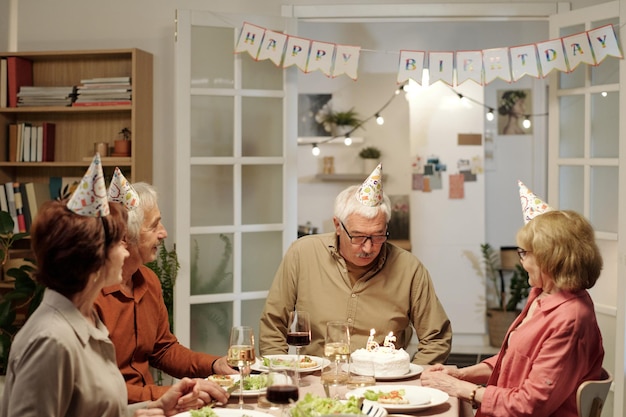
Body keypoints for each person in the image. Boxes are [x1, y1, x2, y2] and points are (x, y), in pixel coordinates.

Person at [0, 158, 203, 417]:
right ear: (93, 258)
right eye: (119, 242)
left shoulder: (87, 320)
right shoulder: (50, 340)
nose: (125, 249)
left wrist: (149, 409)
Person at [421, 183, 604, 416]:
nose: (521, 262)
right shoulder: (542, 295)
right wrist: (461, 374)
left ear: (550, 259)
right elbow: (515, 361)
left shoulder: (571, 318)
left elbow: (530, 404)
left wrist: (461, 389)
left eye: (525, 254)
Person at [259, 164, 452, 364]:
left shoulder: (410, 269)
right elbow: (274, 323)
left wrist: (409, 377)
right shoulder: (302, 253)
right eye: (358, 236)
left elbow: (436, 339)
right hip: (316, 377)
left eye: (378, 236)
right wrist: (278, 373)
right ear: (337, 225)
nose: (368, 248)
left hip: (381, 385)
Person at [95, 181, 236, 404]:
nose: (164, 233)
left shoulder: (149, 281)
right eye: (154, 226)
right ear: (125, 236)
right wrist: (165, 395)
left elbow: (164, 350)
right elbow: (98, 388)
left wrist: (214, 365)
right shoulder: (92, 298)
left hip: (153, 406)